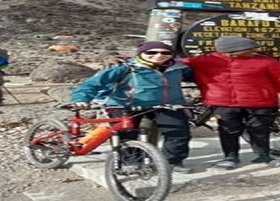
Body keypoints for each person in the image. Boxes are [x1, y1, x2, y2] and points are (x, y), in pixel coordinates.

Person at [178, 36, 280, 170]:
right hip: (222, 102)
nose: (255, 50)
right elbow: (169, 62)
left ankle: (263, 155)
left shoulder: (268, 62)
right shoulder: (203, 61)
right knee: (228, 130)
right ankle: (230, 157)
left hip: (261, 102)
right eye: (249, 48)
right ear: (230, 51)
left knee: (260, 130)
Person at [71, 41, 194, 174]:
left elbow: (199, 76)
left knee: (179, 132)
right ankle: (130, 161)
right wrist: (81, 98)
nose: (159, 55)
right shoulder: (125, 67)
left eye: (165, 52)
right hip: (125, 104)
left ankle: (173, 161)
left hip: (166, 104)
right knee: (127, 133)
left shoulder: (179, 68)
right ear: (141, 53)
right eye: (151, 52)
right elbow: (94, 83)